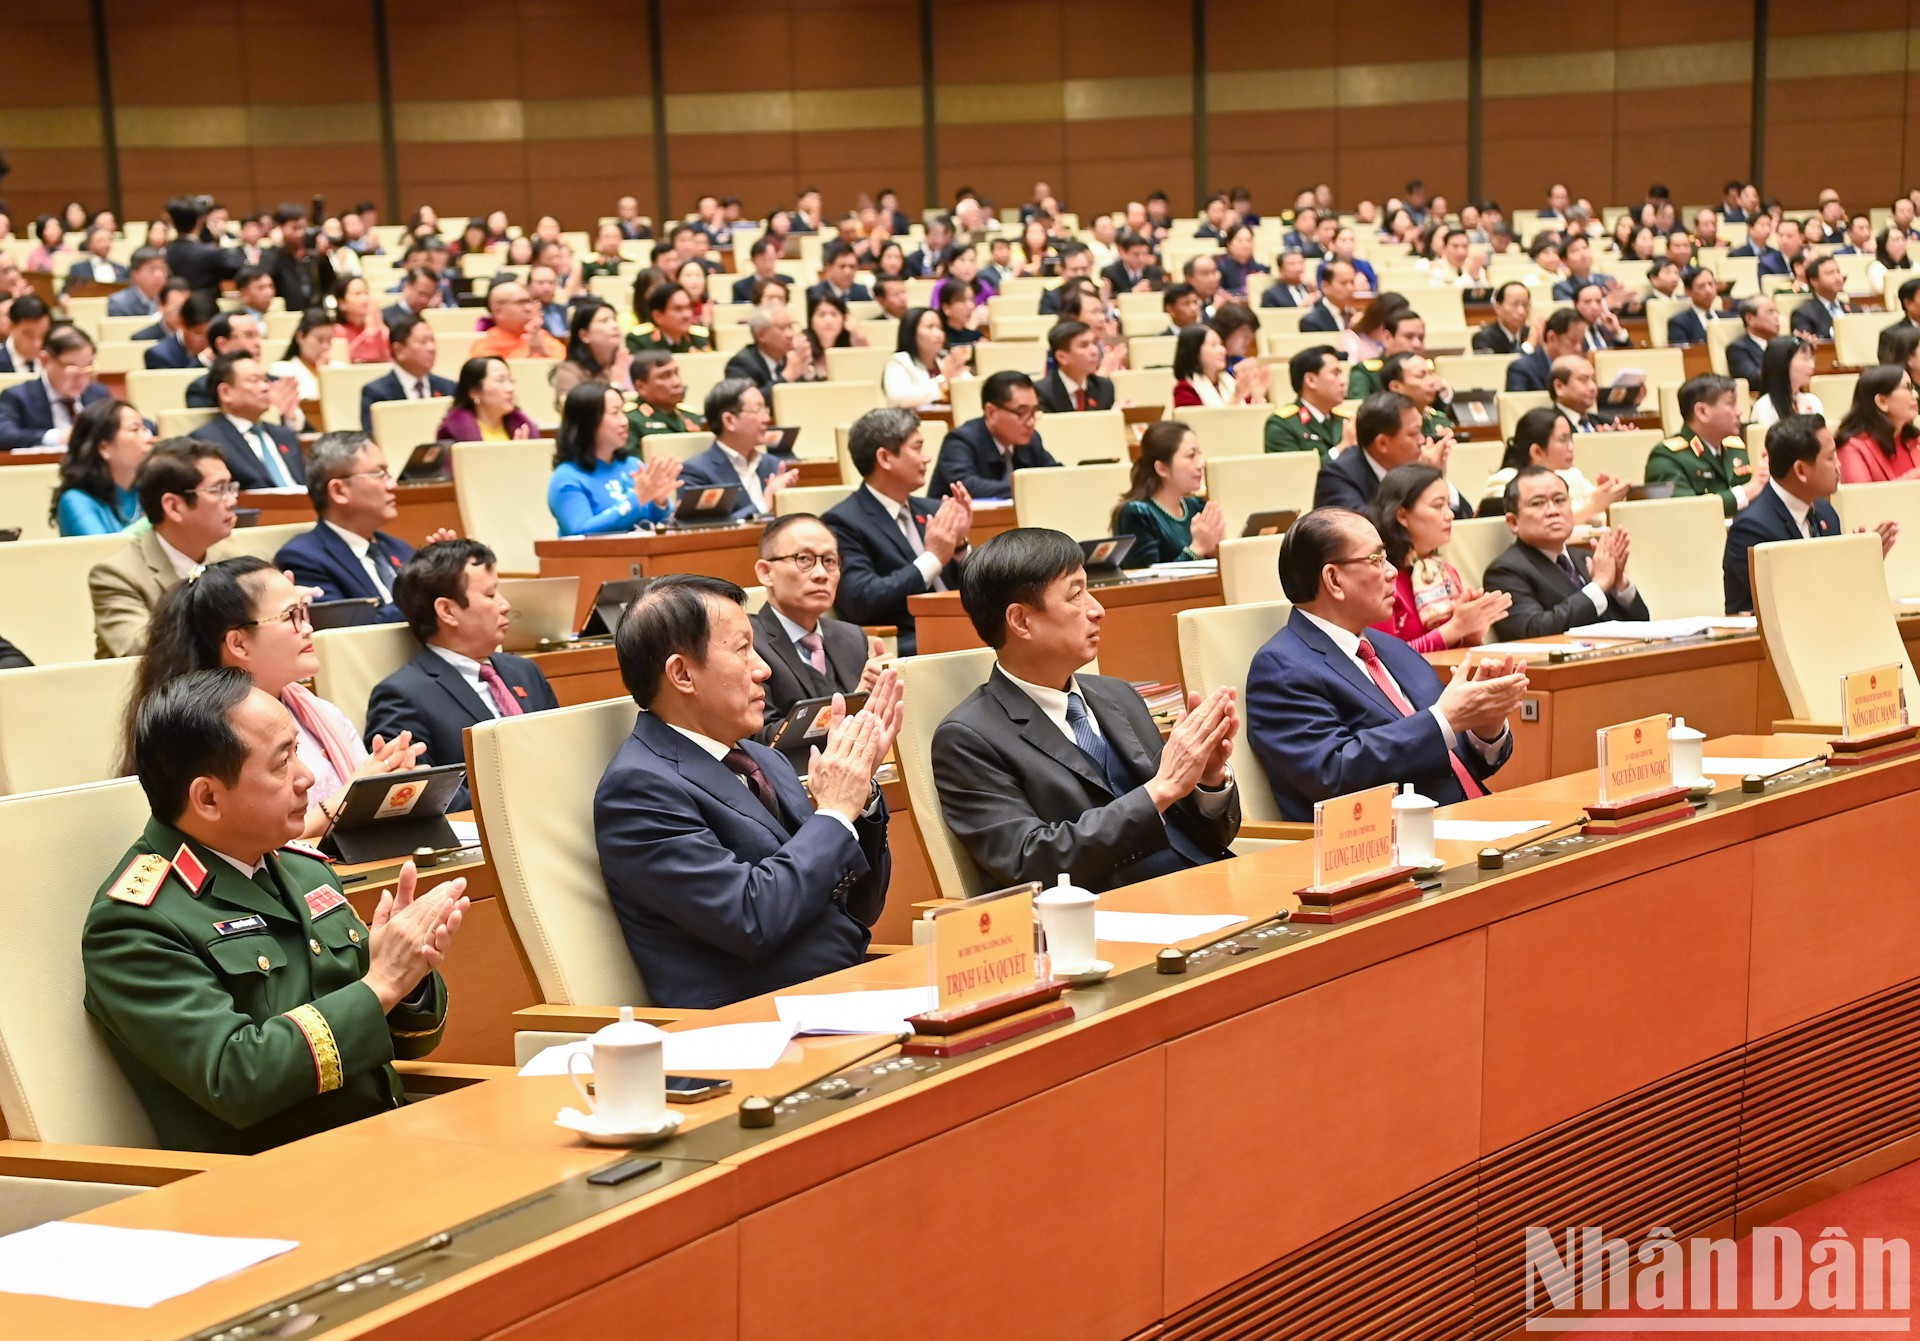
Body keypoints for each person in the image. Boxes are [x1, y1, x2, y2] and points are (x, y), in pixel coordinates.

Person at [83, 669, 462, 1154]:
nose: (307, 778)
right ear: (208, 798)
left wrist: (409, 975)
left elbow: (411, 1040)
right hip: (275, 1182)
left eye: (298, 752)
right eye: (282, 763)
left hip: (382, 1142)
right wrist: (382, 982)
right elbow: (239, 1078)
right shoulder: (137, 923)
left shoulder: (304, 870)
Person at [594, 575, 898, 1007]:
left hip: (840, 994)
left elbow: (857, 907)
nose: (764, 668)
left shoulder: (764, 758)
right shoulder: (639, 789)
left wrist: (859, 796)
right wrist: (832, 814)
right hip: (751, 1026)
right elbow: (750, 919)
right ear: (682, 674)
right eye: (742, 650)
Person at [932, 528, 1240, 892]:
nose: (1098, 610)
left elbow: (1209, 836)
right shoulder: (968, 738)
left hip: (1205, 887)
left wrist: (1209, 779)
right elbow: (1031, 862)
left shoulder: (1118, 695)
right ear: (1020, 621)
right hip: (1109, 918)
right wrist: (1162, 788)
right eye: (1076, 595)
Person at [1245, 508, 1524, 819]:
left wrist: (1484, 728)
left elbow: (1449, 759)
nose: (1392, 571)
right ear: (1334, 579)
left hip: (1467, 821)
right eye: (1377, 560)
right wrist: (1445, 718)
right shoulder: (1282, 667)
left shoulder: (1392, 650)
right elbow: (1333, 772)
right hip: (1389, 845)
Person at [121, 556, 426, 822]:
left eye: (304, 612)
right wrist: (349, 799)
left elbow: (360, 806)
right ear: (238, 643)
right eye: (291, 616)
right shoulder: (205, 733)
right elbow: (248, 845)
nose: (307, 627)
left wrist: (388, 785)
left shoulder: (318, 711)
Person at [364, 539, 561, 809]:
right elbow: (415, 797)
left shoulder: (524, 671)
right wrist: (521, 797)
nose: (505, 605)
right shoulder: (402, 695)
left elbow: (563, 752)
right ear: (447, 611)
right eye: (491, 595)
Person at [823, 408, 969, 655]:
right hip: (909, 643)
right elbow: (861, 601)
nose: (927, 458)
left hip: (963, 626)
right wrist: (933, 559)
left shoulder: (934, 510)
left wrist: (960, 548)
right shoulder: (842, 522)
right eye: (917, 448)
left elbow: (980, 587)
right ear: (885, 458)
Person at [1725, 414, 1897, 614]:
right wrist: (1851, 565)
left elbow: (1834, 595)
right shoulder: (1752, 528)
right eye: (1830, 457)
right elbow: (1793, 601)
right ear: (1800, 470)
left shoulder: (1826, 513)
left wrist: (1860, 562)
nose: (1839, 466)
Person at [89, 439, 240, 658]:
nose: (232, 500)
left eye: (231, 487)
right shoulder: (116, 575)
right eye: (219, 489)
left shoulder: (235, 559)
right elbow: (142, 650)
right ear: (174, 506)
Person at [749, 513, 884, 751]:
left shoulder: (852, 637)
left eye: (830, 561)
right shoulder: (747, 641)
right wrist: (853, 705)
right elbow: (759, 739)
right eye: (804, 559)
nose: (821, 574)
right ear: (765, 572)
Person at [275, 432, 438, 622]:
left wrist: (447, 572)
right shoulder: (303, 559)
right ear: (339, 490)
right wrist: (426, 589)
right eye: (379, 474)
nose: (393, 485)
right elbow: (352, 632)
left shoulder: (400, 548)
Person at [1482, 466, 1650, 638]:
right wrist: (1599, 586)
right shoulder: (1505, 572)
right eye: (1538, 503)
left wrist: (1618, 583)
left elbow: (1642, 625)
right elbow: (1533, 631)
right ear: (1513, 522)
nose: (1553, 511)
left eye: (1560, 500)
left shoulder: (1587, 558)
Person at [1368, 464, 1509, 653]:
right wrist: (1456, 627)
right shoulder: (1380, 579)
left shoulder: (1445, 572)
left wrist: (1472, 632)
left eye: (1449, 505)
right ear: (1402, 515)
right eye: (1438, 506)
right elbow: (1386, 659)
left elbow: (1455, 654)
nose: (1450, 515)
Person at [547, 381, 680, 536]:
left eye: (623, 412)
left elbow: (654, 523)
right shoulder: (567, 478)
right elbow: (580, 532)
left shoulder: (633, 465)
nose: (625, 421)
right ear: (588, 421)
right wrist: (635, 500)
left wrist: (659, 502)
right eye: (614, 413)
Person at [1315, 392, 1472, 518]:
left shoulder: (1411, 466)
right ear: (1382, 443)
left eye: (1421, 431)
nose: (1422, 440)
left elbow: (1465, 516)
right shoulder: (1337, 477)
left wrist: (1436, 478)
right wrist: (1420, 483)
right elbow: (1368, 533)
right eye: (1413, 434)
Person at [1481, 406, 1627, 526]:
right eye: (1563, 440)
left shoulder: (1572, 475)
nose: (1571, 447)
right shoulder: (1503, 482)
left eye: (1570, 438)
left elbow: (1597, 516)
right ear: (1537, 451)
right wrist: (1593, 507)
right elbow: (1535, 526)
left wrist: (1610, 501)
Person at [1646, 374, 1766, 516]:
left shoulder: (1735, 448)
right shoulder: (1666, 457)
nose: (1739, 412)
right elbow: (1687, 511)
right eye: (1731, 404)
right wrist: (1752, 488)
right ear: (1702, 412)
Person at [928, 370, 1060, 499]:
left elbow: (1053, 474)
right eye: (1021, 412)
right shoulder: (960, 440)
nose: (1031, 422)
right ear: (991, 412)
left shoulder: (1031, 439)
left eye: (1034, 411)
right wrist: (1027, 486)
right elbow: (967, 486)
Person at [679, 379, 799, 519]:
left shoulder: (775, 466)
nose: (767, 418)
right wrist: (764, 505)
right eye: (757, 409)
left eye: (766, 409)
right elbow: (704, 528)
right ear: (729, 420)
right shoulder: (696, 473)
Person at [1111, 420, 1225, 566]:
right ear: (1162, 469)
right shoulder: (1136, 514)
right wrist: (1197, 548)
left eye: (1199, 454)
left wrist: (1215, 550)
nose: (1201, 463)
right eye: (1191, 456)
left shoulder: (1196, 506)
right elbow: (1146, 581)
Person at [189, 354, 307, 488]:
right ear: (225, 392)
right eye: (254, 381)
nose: (265, 387)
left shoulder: (284, 435)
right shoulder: (207, 441)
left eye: (265, 380)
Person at [53, 398, 154, 535]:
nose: (149, 438)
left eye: (145, 429)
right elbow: (104, 552)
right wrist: (156, 520)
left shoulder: (152, 489)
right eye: (135, 429)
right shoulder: (76, 500)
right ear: (104, 448)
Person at [0, 324, 109, 450]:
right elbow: (4, 435)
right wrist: (58, 437)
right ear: (44, 360)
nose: (81, 378)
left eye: (88, 368)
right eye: (71, 369)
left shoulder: (99, 394)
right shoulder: (17, 397)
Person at [358, 313, 454, 432]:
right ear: (399, 350)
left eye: (432, 340)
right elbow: (373, 439)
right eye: (423, 342)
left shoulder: (450, 388)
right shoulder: (376, 393)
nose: (432, 348)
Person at [1835, 364, 1920, 482]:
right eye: (1907, 387)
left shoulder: (1914, 438)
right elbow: (1864, 497)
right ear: (1882, 401)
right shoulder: (1853, 447)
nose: (1916, 395)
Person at [1265, 344, 1352, 459]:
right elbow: (1297, 472)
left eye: (1341, 374)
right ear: (1310, 380)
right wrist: (1342, 447)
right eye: (1335, 373)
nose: (1343, 381)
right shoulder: (1282, 426)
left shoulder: (1346, 421)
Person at [882, 306, 971, 409]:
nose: (939, 334)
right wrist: (943, 379)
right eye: (930, 327)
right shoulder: (899, 361)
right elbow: (898, 399)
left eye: (940, 328)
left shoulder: (945, 359)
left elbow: (971, 391)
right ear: (911, 332)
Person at [438, 355, 537, 442]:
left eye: (511, 380)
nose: (510, 388)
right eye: (500, 380)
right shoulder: (454, 432)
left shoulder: (522, 426)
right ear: (474, 392)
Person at [724, 302, 809, 397]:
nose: (790, 334)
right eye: (782, 328)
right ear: (761, 335)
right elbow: (746, 405)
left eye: (790, 327)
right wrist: (786, 377)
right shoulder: (740, 364)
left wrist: (806, 372)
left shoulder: (792, 357)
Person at [468, 281, 564, 361]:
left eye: (529, 302)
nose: (529, 308)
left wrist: (543, 349)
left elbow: (564, 364)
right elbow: (496, 374)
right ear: (498, 311)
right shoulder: (484, 346)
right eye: (521, 302)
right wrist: (528, 347)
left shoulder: (541, 336)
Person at [1035, 320, 1117, 413]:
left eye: (1094, 343)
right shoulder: (1041, 393)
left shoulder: (1104, 387)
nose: (1094, 351)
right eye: (1084, 345)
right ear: (1062, 357)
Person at [1505, 308, 1588, 392]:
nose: (1579, 348)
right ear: (1551, 337)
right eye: (1572, 341)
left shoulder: (1583, 368)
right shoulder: (1521, 369)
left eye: (1581, 342)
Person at [268, 308, 335, 409]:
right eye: (320, 340)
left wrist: (325, 371)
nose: (326, 346)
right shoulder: (281, 369)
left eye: (329, 340)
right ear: (300, 337)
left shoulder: (338, 368)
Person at [1751, 335, 1823, 429]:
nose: (1812, 365)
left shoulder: (1813, 401)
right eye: (1805, 359)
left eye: (1811, 358)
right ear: (1783, 363)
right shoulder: (1765, 406)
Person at [627, 282, 712, 355]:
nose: (687, 314)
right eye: (678, 309)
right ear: (658, 316)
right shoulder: (640, 341)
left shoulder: (699, 338)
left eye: (688, 307)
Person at [1789, 255, 1854, 341]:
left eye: (1838, 272)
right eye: (1830, 273)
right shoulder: (1802, 314)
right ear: (1814, 281)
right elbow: (1804, 345)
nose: (1838, 278)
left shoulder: (1854, 309)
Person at [1725, 295, 1780, 386]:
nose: (1776, 316)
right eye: (1770, 312)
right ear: (1750, 318)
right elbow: (1752, 379)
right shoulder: (1737, 348)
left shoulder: (1784, 344)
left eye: (1776, 312)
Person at [1666, 267, 1728, 347]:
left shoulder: (1729, 318)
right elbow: (1684, 354)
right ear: (1688, 291)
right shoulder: (1679, 323)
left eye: (1711, 284)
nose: (1708, 290)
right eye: (1701, 286)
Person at [108, 246, 168, 318]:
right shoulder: (119, 303)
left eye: (163, 269)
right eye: (152, 269)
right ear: (134, 273)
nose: (160, 275)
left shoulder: (170, 300)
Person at [1473, 282, 1533, 354]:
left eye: (1525, 305)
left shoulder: (1531, 334)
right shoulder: (1484, 338)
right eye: (1515, 304)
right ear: (1498, 308)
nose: (1521, 311)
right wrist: (1529, 346)